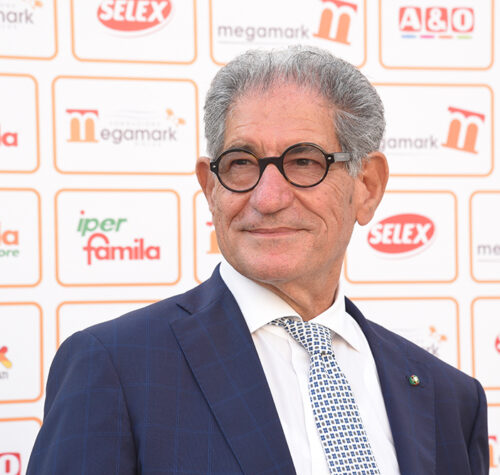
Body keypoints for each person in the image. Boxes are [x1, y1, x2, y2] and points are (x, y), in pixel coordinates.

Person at [27, 46, 488, 474]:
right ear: (211, 187)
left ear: (366, 186)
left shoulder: (449, 399)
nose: (267, 198)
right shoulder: (115, 368)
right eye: (241, 163)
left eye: (304, 162)